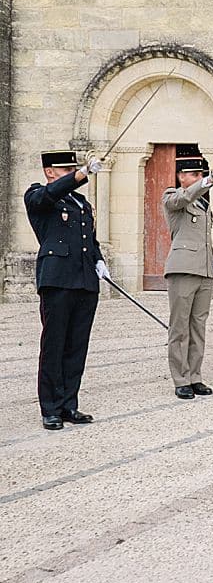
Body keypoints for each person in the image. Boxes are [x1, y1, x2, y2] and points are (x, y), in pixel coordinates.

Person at [24, 150, 105, 430]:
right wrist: (81, 174)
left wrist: (99, 261)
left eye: (73, 168)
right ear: (50, 172)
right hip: (57, 280)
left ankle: (69, 404)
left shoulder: (81, 203)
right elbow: (49, 195)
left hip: (84, 281)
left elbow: (89, 240)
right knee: (54, 345)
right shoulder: (38, 195)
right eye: (66, 169)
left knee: (76, 347)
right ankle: (50, 408)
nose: (72, 172)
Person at [163, 145, 213, 400]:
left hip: (203, 269)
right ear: (182, 177)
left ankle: (195, 375)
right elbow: (182, 198)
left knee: (198, 325)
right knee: (180, 326)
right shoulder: (172, 196)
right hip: (182, 268)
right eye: (195, 175)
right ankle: (180, 378)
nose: (199, 179)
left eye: (201, 175)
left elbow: (204, 238)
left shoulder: (203, 205)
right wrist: (208, 181)